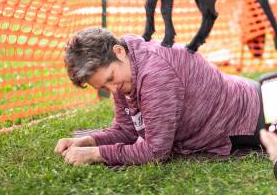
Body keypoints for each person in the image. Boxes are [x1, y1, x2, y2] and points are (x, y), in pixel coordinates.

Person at [54, 27, 269, 167]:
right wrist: (88, 141)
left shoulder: (155, 75)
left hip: (253, 116)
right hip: (245, 91)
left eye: (111, 78)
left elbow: (156, 152)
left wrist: (96, 154)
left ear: (118, 51)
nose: (113, 90)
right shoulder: (127, 66)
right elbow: (126, 129)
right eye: (103, 87)